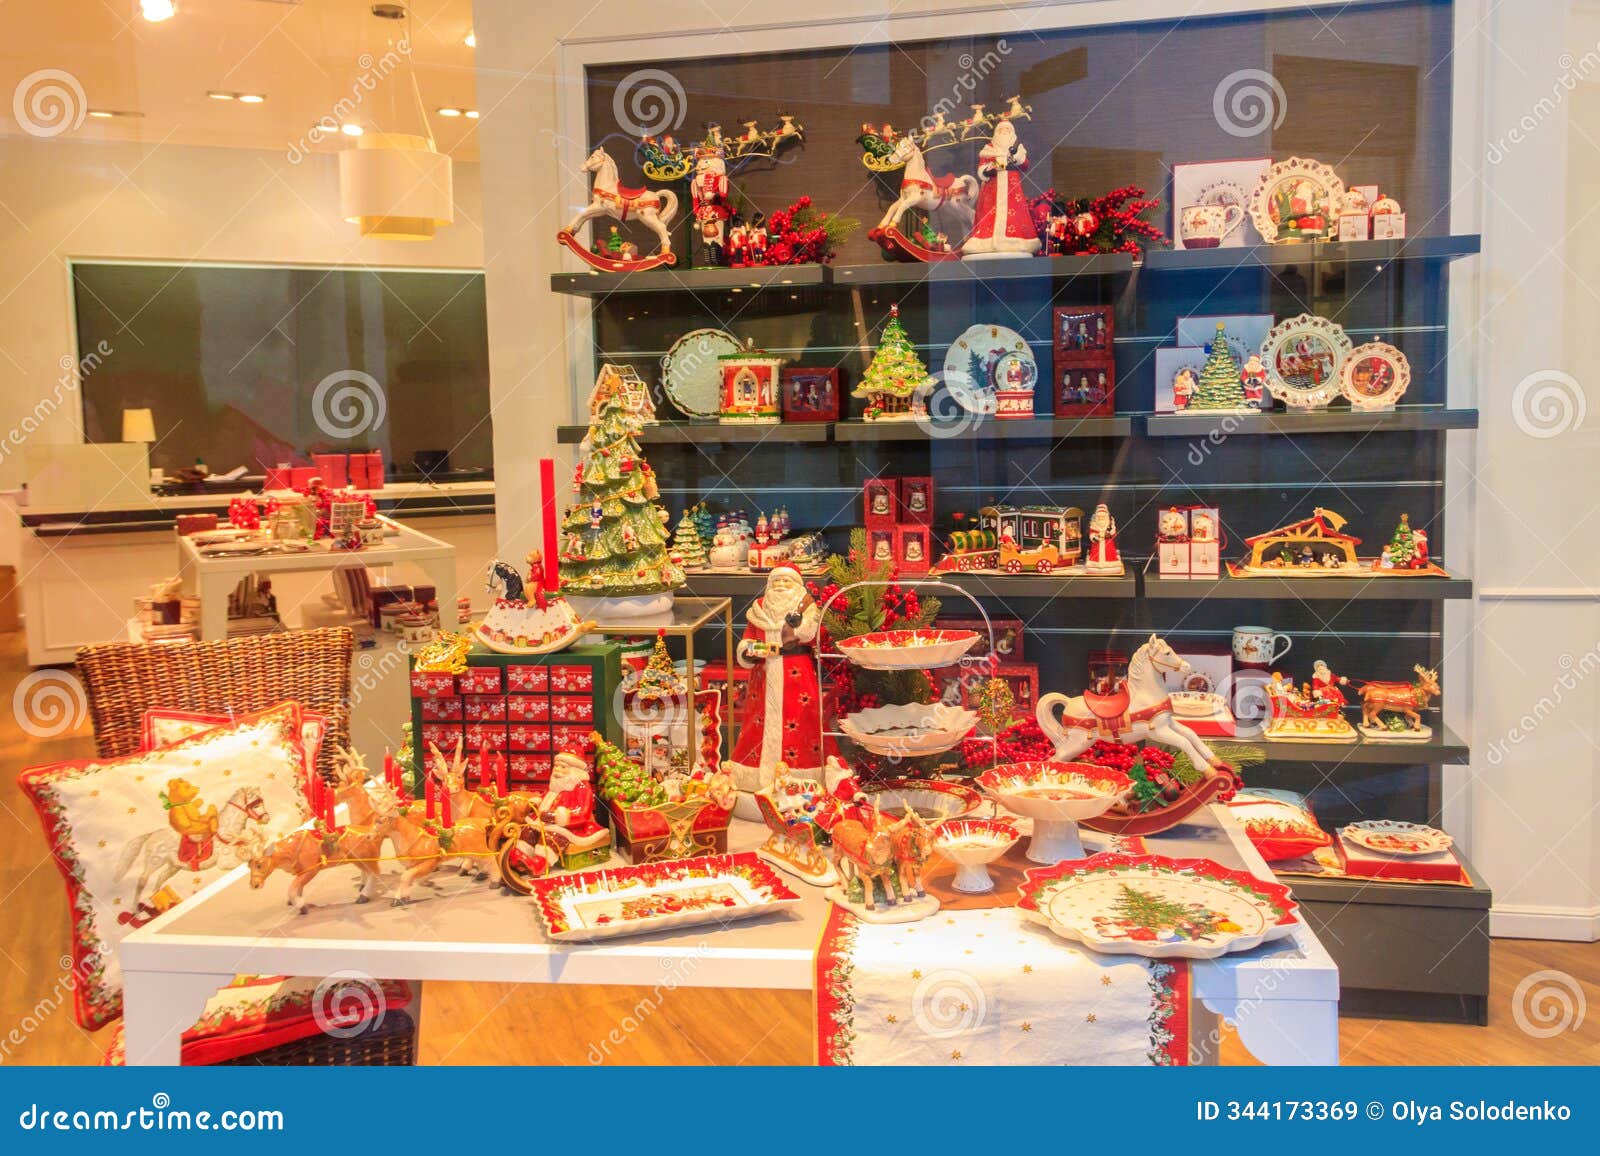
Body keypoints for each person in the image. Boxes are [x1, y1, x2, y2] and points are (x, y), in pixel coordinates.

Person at [725, 566, 839, 800]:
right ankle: (753, 776)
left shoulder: (806, 607)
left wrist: (796, 630)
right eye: (776, 580)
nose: (781, 584)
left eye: (787, 580)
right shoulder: (758, 609)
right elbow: (747, 639)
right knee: (759, 722)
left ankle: (801, 777)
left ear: (796, 583)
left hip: (796, 674)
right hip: (763, 676)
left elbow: (815, 634)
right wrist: (749, 651)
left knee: (802, 719)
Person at [960, 118, 1041, 257]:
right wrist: (1002, 164)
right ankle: (986, 241)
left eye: (1007, 130)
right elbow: (983, 170)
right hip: (992, 190)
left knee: (1015, 213)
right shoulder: (988, 150)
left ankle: (1016, 240)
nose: (1004, 132)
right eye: (1001, 130)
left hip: (1012, 188)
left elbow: (1024, 164)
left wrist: (1014, 159)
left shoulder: (1018, 150)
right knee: (989, 214)